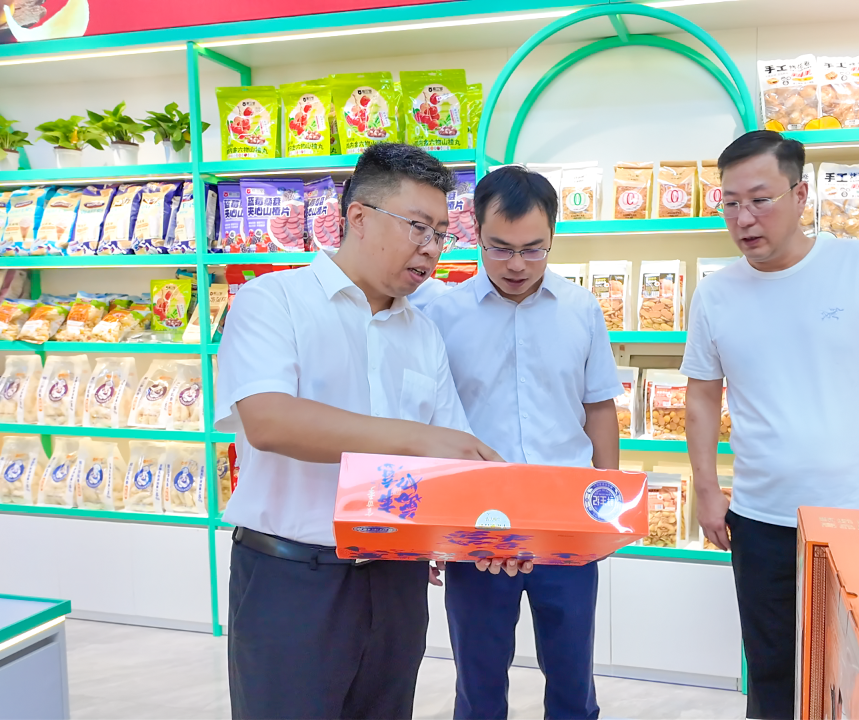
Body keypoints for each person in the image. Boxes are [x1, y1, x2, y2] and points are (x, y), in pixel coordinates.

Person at [215, 143, 526, 720]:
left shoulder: (422, 333)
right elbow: (270, 421)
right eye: (418, 227)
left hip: (397, 582)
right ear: (358, 216)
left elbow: (452, 460)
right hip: (293, 579)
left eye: (442, 233)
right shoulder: (272, 301)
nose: (432, 247)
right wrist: (416, 438)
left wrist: (493, 534)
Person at [680, 130, 859, 720]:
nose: (743, 218)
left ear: (800, 195)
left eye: (760, 199)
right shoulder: (716, 293)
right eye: (729, 203)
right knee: (772, 673)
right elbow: (702, 397)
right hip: (760, 521)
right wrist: (706, 490)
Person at [424, 165, 622, 720]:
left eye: (534, 249)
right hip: (475, 523)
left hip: (567, 518)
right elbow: (429, 421)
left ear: (554, 235)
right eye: (500, 248)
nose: (516, 265)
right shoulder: (441, 313)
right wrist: (431, 524)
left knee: (573, 676)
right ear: (475, 232)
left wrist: (610, 508)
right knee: (479, 679)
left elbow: (599, 408)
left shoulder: (581, 309)